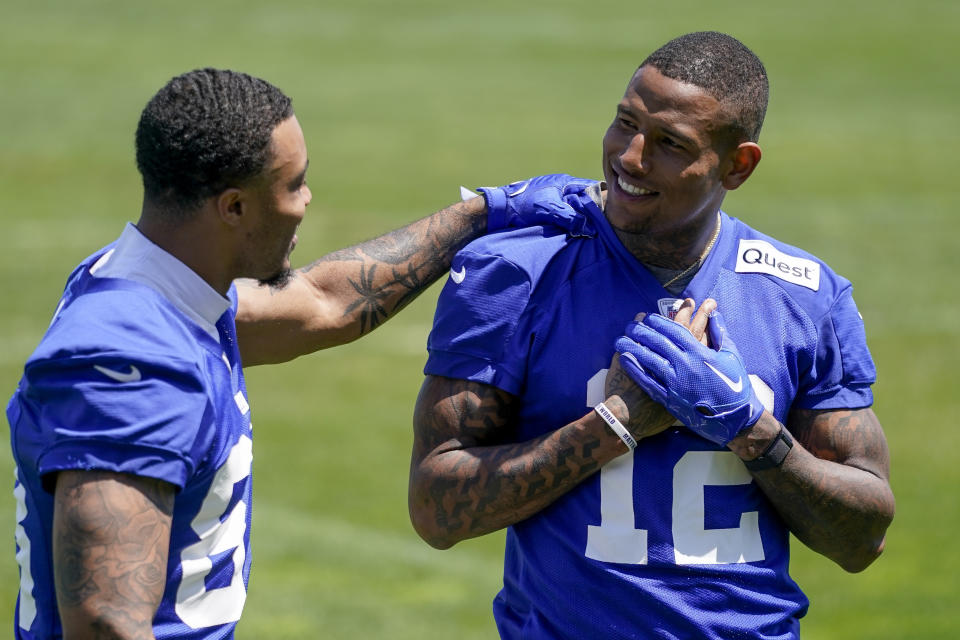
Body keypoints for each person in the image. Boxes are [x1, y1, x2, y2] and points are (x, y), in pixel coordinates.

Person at [6, 68, 581, 639]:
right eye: (293, 184)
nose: (307, 201)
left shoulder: (149, 286)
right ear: (233, 207)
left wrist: (484, 212)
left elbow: (322, 304)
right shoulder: (132, 370)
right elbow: (107, 625)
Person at [409, 31, 895, 639]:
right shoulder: (516, 274)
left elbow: (862, 538)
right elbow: (435, 509)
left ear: (737, 165)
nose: (630, 158)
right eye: (624, 122)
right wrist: (613, 426)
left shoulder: (804, 296)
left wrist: (750, 430)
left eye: (669, 144)